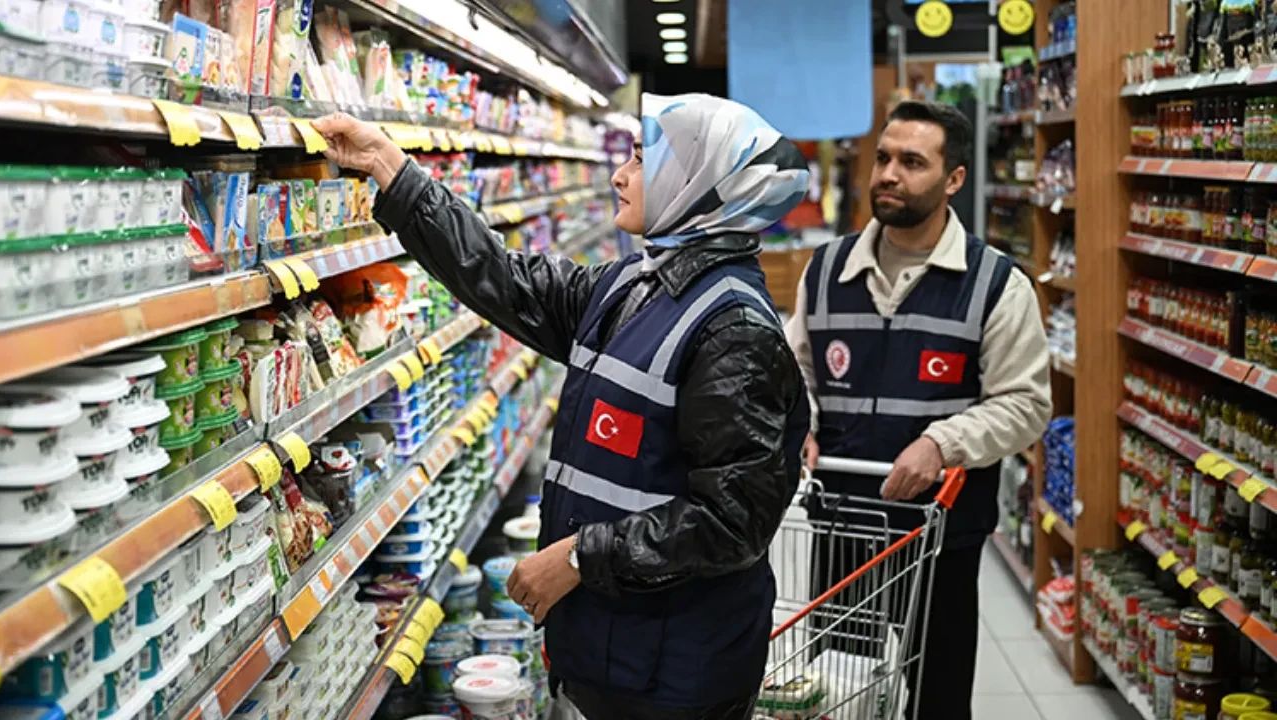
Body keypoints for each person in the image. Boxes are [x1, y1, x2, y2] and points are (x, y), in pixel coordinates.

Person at [313, 92, 812, 719]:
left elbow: (732, 521)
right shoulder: (633, 285)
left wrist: (580, 557)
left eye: (640, 159)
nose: (619, 174)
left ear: (697, 184)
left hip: (679, 673)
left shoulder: (734, 330)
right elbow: (502, 276)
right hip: (614, 650)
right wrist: (393, 170)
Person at [784, 100, 1052, 719]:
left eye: (912, 161)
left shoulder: (995, 284)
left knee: (938, 700)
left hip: (942, 537)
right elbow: (795, 372)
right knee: (842, 697)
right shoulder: (826, 270)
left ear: (953, 178)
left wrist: (943, 443)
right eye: (883, 158)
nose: (888, 174)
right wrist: (801, 426)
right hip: (844, 527)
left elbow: (1025, 404)